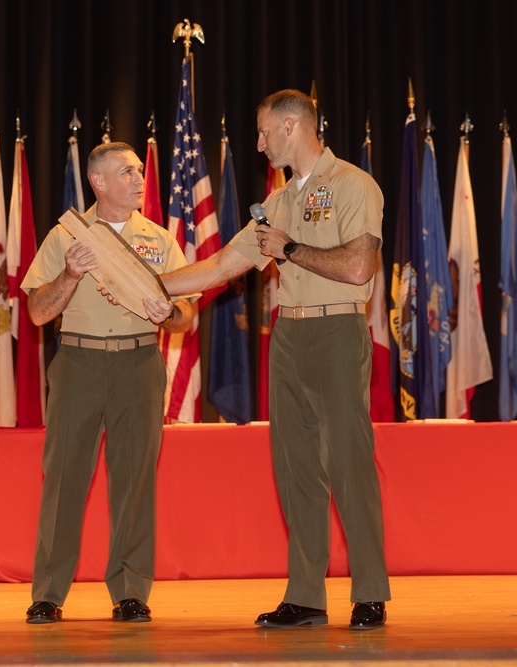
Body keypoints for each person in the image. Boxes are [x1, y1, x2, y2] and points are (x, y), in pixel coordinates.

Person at [158, 89, 392, 629]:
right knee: (295, 470)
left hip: (337, 331)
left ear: (292, 126)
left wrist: (287, 249)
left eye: (265, 132)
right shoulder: (280, 201)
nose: (259, 143)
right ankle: (306, 595)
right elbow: (219, 267)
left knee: (349, 463)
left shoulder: (355, 184)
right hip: (288, 339)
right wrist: (147, 285)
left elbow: (360, 267)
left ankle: (370, 592)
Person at [21, 141, 195, 624]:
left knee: (135, 483)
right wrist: (71, 275)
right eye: (128, 172)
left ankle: (131, 591)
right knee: (63, 482)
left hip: (138, 365)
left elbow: (186, 317)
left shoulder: (159, 240)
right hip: (78, 364)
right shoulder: (67, 236)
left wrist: (170, 313)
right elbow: (37, 312)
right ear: (97, 181)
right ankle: (49, 594)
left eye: (140, 171)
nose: (140, 179)